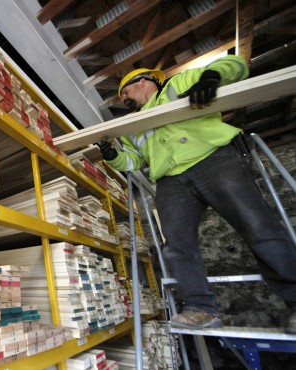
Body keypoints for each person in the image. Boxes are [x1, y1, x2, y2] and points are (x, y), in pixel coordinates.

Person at [97, 54, 296, 332]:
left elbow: (237, 66)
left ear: (142, 82)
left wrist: (211, 77)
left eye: (125, 92)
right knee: (176, 246)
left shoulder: (178, 85)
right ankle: (200, 309)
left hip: (214, 160)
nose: (124, 99)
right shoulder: (134, 125)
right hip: (170, 181)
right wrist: (112, 156)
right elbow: (133, 162)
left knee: (257, 225)